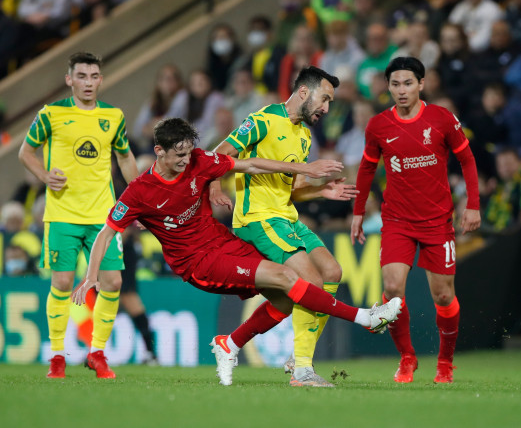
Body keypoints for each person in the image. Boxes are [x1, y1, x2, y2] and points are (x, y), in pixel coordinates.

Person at [72, 117, 402, 386]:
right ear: (158, 150)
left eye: (189, 153)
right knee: (289, 276)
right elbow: (105, 234)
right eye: (178, 155)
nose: (186, 161)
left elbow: (252, 165)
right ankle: (364, 318)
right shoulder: (139, 192)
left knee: (285, 299)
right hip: (197, 262)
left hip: (223, 242)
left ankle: (229, 344)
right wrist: (90, 277)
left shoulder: (199, 161)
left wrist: (304, 170)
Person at [212, 66, 360, 387]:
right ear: (304, 93)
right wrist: (214, 188)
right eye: (324, 99)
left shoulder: (304, 135)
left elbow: (291, 187)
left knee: (327, 276)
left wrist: (321, 190)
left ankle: (231, 343)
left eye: (331, 102)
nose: (326, 108)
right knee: (311, 283)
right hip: (259, 219)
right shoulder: (263, 120)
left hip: (286, 216)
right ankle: (303, 369)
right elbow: (218, 156)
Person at [351, 57, 481, 384]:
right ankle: (407, 358)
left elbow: (467, 160)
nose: (401, 90)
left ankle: (445, 363)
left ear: (421, 84)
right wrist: (358, 211)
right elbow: (367, 169)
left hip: (438, 221)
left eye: (408, 83)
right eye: (395, 84)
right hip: (396, 221)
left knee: (442, 296)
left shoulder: (441, 119)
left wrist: (473, 205)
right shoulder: (378, 125)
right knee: (393, 289)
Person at [17, 52, 139, 379]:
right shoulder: (51, 114)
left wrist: (140, 197)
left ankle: (97, 353)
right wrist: (43, 176)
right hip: (62, 213)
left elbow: (125, 158)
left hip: (103, 215)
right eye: (81, 76)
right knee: (62, 281)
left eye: (94, 76)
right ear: (69, 79)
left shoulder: (113, 116)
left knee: (112, 282)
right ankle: (57, 356)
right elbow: (25, 151)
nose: (88, 82)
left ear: (101, 79)